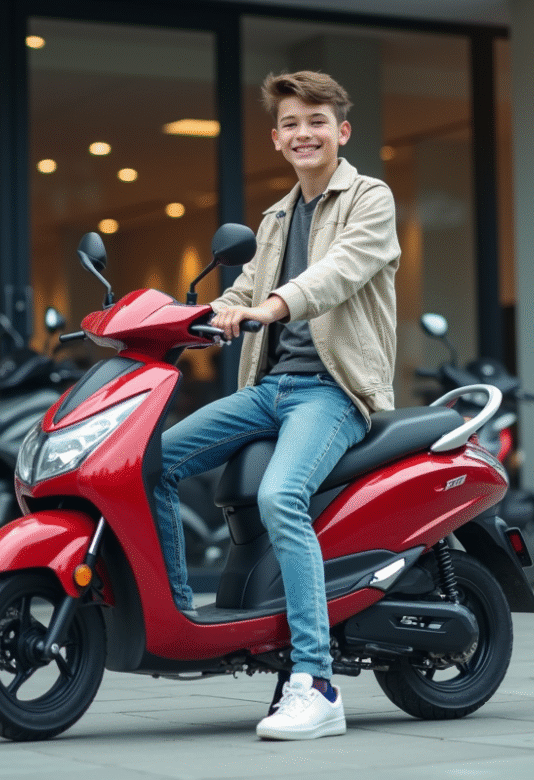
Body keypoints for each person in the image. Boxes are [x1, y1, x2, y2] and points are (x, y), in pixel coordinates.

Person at [153, 70, 400, 741]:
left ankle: (316, 683)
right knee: (155, 462)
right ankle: (179, 618)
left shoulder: (369, 200)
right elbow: (243, 291)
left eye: (317, 121)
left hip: (333, 391)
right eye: (291, 123)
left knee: (280, 498)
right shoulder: (276, 216)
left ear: (341, 132)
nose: (304, 133)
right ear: (277, 138)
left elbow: (339, 272)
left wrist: (270, 306)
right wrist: (175, 319)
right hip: (268, 390)